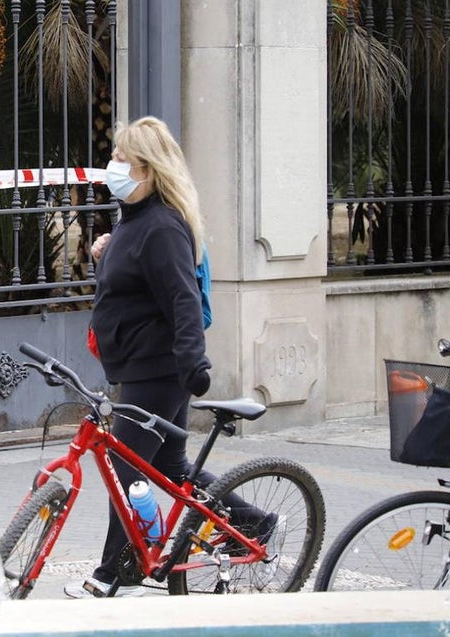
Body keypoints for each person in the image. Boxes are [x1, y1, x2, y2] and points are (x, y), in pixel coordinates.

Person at [65, 116, 276, 599]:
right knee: (172, 467)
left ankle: (115, 574)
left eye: (121, 158)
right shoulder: (136, 220)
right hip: (142, 365)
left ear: (147, 169)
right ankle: (254, 522)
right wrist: (107, 252)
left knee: (126, 470)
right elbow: (138, 277)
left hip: (158, 371)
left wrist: (194, 365)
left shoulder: (161, 226)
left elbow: (182, 299)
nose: (111, 165)